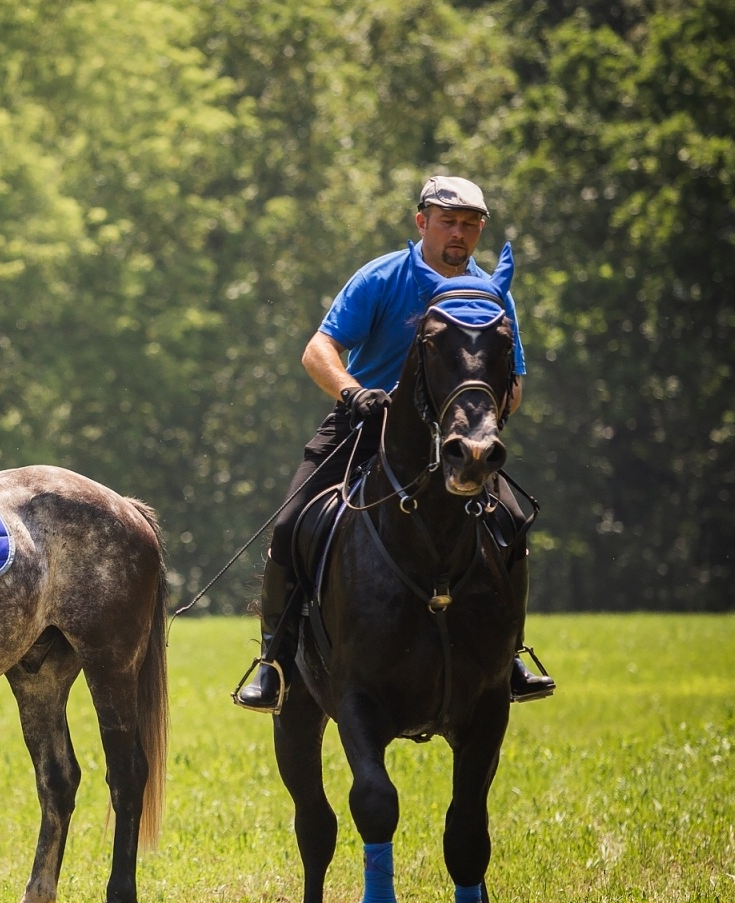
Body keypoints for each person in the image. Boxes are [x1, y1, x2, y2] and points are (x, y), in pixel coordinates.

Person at [235, 176, 555, 711]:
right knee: (291, 525)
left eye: (471, 224)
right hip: (365, 426)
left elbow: (514, 385)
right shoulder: (383, 277)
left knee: (512, 525)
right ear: (422, 222)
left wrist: (483, 419)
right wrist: (353, 392)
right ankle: (273, 660)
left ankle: (510, 657)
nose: (460, 233)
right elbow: (319, 349)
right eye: (449, 221)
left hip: (457, 441)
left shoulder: (490, 292)